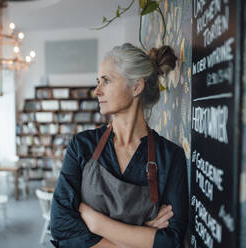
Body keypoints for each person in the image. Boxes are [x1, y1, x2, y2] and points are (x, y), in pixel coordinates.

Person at [50, 43, 188, 248]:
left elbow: (172, 242)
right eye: (98, 82)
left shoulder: (170, 156)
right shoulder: (82, 146)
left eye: (106, 81)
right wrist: (139, 237)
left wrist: (96, 223)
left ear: (136, 87)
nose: (97, 91)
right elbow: (61, 225)